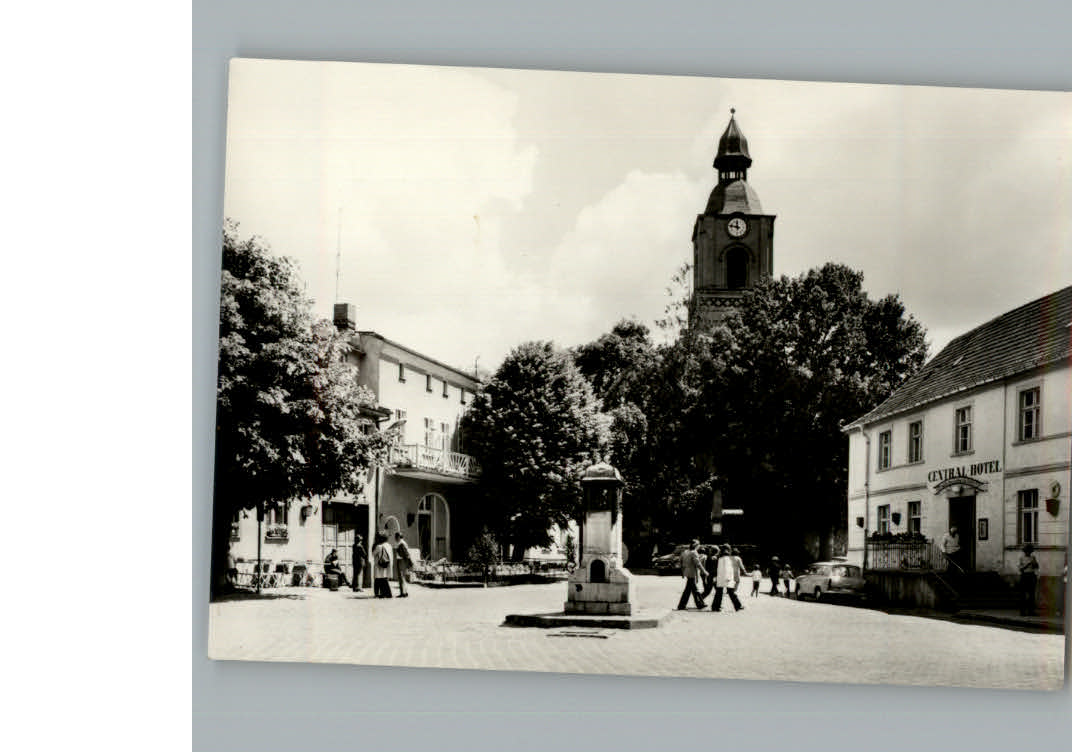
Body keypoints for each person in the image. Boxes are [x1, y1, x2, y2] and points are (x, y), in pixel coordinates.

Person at [676, 539, 708, 610]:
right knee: (692, 589)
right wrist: (704, 571)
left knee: (690, 589)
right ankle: (698, 604)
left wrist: (682, 572)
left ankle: (699, 604)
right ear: (696, 546)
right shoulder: (694, 552)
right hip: (692, 572)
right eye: (698, 545)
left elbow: (680, 562)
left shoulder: (684, 552)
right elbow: (698, 563)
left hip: (686, 572)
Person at [712, 545, 744, 612]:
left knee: (719, 592)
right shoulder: (729, 558)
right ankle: (738, 605)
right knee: (731, 592)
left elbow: (716, 568)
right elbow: (728, 569)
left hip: (720, 577)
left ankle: (715, 606)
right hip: (727, 577)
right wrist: (729, 577)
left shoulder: (719, 558)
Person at [1017, 543, 1040, 616]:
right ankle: (1022, 611)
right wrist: (1027, 565)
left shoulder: (1033, 557)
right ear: (1024, 552)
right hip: (1024, 576)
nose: (1028, 552)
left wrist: (1034, 564)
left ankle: (1031, 611)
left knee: (1031, 594)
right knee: (1023, 594)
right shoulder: (1021, 558)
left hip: (1031, 576)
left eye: (1029, 551)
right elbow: (1020, 569)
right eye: (1027, 551)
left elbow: (1036, 567)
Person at [371, 533, 394, 598]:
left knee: (378, 580)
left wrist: (374, 544)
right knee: (384, 580)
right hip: (387, 565)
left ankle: (379, 594)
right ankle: (386, 593)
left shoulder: (379, 546)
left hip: (379, 565)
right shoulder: (389, 546)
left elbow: (373, 554)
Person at [394, 531, 413, 597]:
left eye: (396, 537)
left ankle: (403, 593)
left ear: (399, 537)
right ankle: (404, 591)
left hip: (401, 561)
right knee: (403, 577)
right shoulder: (403, 543)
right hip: (403, 561)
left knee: (401, 577)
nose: (395, 538)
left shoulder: (400, 544)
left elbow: (404, 554)